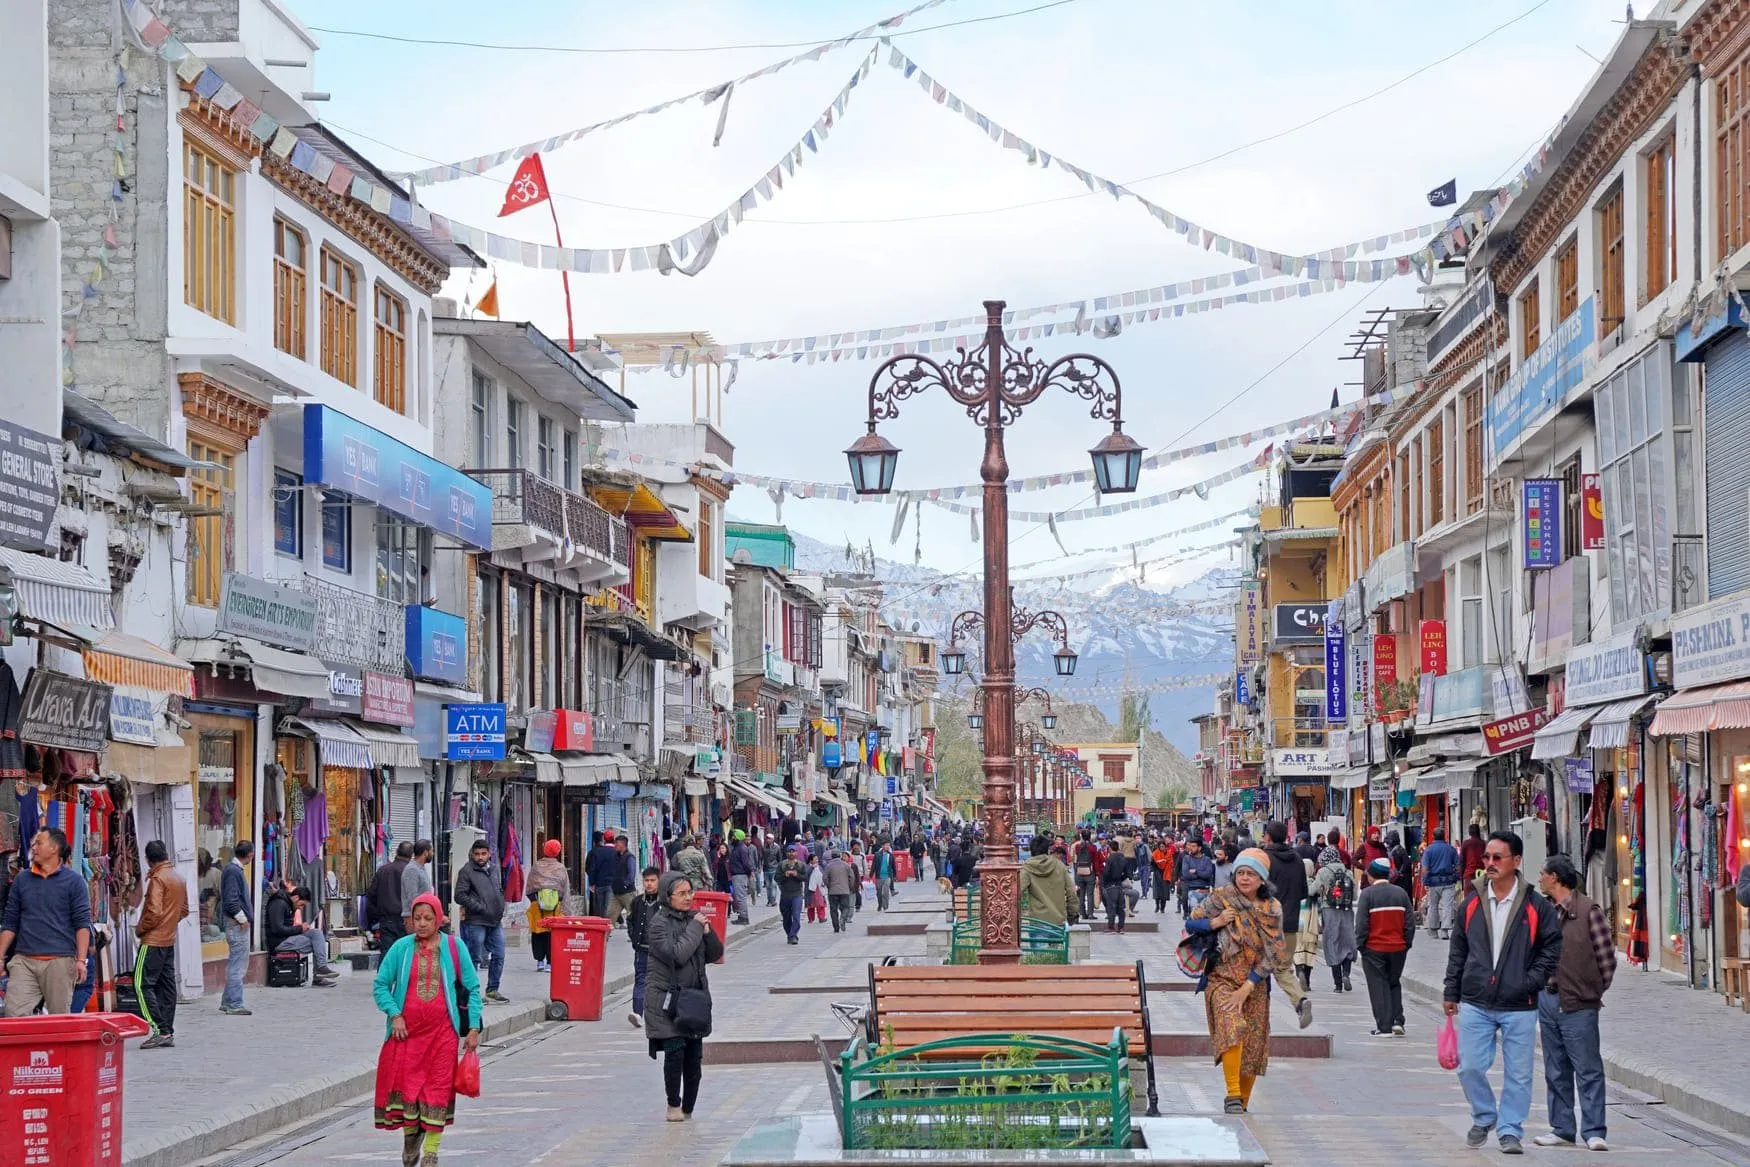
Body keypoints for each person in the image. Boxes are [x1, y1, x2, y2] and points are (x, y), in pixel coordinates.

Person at [1444, 829, 1565, 1156]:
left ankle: (1510, 1130)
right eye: (1487, 857)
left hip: (1519, 1003)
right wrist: (1451, 990)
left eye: (1498, 857)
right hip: (1476, 1000)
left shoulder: (1535, 905)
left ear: (1516, 861)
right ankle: (1484, 1115)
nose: (1490, 863)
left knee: (1519, 1074)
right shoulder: (1471, 902)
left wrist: (1531, 981)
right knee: (1469, 1066)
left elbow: (1552, 948)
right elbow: (1458, 949)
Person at [372, 892, 481, 1167]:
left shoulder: (455, 948)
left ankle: (430, 1153)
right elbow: (381, 985)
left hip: (442, 1035)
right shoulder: (401, 949)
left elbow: (472, 988)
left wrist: (474, 1027)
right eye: (416, 918)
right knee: (409, 1093)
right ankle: (411, 1145)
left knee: (437, 1090)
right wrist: (394, 1014)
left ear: (439, 919)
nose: (421, 923)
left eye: (427, 918)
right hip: (406, 1036)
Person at [1184, 848, 1284, 1115]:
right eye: (1240, 873)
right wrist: (1215, 922)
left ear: (1262, 879)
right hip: (1221, 978)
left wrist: (1248, 986)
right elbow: (1191, 924)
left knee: (1253, 1043)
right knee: (1232, 1026)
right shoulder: (1221, 899)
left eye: (1251, 874)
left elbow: (1274, 953)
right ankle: (1232, 1095)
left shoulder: (1272, 909)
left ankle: (1243, 1102)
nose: (1244, 878)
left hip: (1255, 984)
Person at [1532, 854, 1615, 1152]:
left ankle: (1594, 1130)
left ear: (1554, 877)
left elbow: (1606, 960)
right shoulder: (1543, 911)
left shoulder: (1588, 910)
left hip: (1579, 1002)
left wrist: (1591, 989)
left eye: (1543, 873)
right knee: (1555, 1068)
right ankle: (1562, 1128)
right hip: (1549, 998)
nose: (1539, 877)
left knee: (1587, 1067)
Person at [643, 871, 725, 1121]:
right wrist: (696, 927)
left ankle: (689, 1107)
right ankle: (673, 1105)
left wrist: (708, 932)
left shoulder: (694, 919)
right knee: (675, 1052)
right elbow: (677, 955)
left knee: (694, 1059)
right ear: (668, 896)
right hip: (666, 1001)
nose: (688, 898)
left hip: (693, 1000)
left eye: (690, 892)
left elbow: (715, 955)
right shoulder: (658, 924)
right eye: (682, 893)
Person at [0, 828, 92, 1017]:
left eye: (38, 843)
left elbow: (82, 924)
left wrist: (81, 960)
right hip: (24, 961)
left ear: (54, 848)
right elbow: (10, 921)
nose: (33, 848)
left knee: (59, 1017)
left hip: (60, 961)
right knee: (13, 1014)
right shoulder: (22, 880)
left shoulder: (75, 882)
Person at [134, 840, 189, 1047]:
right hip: (169, 939)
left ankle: (159, 1029)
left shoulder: (157, 878)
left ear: (148, 860)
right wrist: (169, 923)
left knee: (141, 984)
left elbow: (154, 912)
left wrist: (141, 929)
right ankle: (167, 1030)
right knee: (167, 986)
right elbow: (183, 910)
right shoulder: (178, 877)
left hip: (153, 940)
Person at [1261, 821, 1314, 1028]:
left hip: (1266, 923)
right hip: (1290, 922)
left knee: (1258, 968)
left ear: (1269, 837)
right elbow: (1303, 892)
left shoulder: (1265, 859)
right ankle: (1300, 1000)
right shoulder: (1297, 860)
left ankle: (1260, 1014)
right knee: (1283, 969)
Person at [1355, 857, 1413, 1037]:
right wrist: (1406, 944)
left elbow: (1362, 925)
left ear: (1371, 876)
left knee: (1378, 985)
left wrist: (1361, 945)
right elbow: (1409, 924)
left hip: (1374, 948)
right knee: (1394, 983)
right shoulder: (1401, 893)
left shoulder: (1367, 894)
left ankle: (1384, 1026)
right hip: (1398, 948)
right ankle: (1398, 1020)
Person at [453, 840, 509, 1003]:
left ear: (489, 854)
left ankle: (492, 989)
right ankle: (471, 992)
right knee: (473, 957)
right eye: (477, 854)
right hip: (476, 921)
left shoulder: (494, 869)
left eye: (483, 854)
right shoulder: (467, 871)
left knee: (499, 954)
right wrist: (480, 907)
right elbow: (459, 895)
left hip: (495, 920)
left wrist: (500, 906)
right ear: (472, 854)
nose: (480, 857)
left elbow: (498, 889)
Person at [265, 882, 339, 987]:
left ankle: (321, 968)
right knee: (315, 943)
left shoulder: (287, 904)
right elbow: (277, 929)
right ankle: (318, 976)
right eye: (302, 905)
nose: (301, 908)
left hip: (287, 938)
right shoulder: (279, 904)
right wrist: (299, 929)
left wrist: (300, 929)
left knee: (316, 933)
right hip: (279, 942)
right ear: (295, 898)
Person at [1309, 843, 1356, 992]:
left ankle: (1338, 985)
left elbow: (1312, 890)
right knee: (1347, 944)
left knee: (1332, 944)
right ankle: (1346, 974)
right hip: (1347, 911)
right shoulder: (1348, 872)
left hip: (1329, 912)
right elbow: (1354, 896)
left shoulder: (1323, 871)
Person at [219, 839, 254, 1016]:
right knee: (238, 965)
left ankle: (228, 1000)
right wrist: (242, 919)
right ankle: (234, 1003)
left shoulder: (233, 870)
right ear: (250, 855)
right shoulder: (233, 872)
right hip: (236, 924)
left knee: (236, 962)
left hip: (235, 923)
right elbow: (232, 901)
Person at [525, 839, 571, 973]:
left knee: (538, 932)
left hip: (537, 905)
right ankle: (550, 963)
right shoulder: (560, 868)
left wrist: (536, 900)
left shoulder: (537, 867)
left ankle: (540, 961)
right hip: (555, 906)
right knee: (552, 934)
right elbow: (565, 888)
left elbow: (529, 888)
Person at [626, 865, 662, 1028]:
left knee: (661, 982)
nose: (649, 884)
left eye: (652, 880)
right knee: (640, 980)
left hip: (661, 951)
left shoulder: (666, 902)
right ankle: (637, 1013)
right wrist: (634, 939)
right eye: (646, 881)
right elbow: (630, 920)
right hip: (642, 949)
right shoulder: (637, 902)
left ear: (659, 881)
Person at [1019, 832, 1077, 926]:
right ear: (1048, 850)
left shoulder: (1027, 869)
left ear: (1031, 850)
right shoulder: (1059, 866)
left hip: (1038, 923)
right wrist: (1072, 914)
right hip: (1058, 921)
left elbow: (1016, 892)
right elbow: (1071, 892)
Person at [371, 842, 413, 950]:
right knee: (405, 953)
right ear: (411, 855)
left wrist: (377, 915)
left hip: (386, 920)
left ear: (397, 852)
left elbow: (371, 895)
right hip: (406, 920)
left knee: (387, 954)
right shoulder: (412, 871)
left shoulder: (383, 870)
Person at [1420, 828, 1460, 940]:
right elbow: (1457, 867)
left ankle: (1433, 930)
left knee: (1433, 906)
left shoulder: (1428, 850)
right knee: (1447, 906)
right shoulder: (1451, 849)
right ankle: (1445, 931)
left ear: (1433, 836)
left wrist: (1425, 881)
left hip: (1433, 882)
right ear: (1444, 836)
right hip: (1448, 881)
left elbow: (1425, 869)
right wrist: (1456, 877)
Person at [1099, 835, 1133, 934]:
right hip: (1119, 885)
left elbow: (1106, 872)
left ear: (1110, 848)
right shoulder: (1123, 858)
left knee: (1111, 907)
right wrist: (1120, 879)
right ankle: (1121, 927)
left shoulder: (1110, 859)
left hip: (1110, 885)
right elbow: (1128, 873)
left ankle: (1111, 927)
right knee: (1121, 908)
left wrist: (1104, 883)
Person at [776, 848, 808, 944]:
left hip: (797, 894)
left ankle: (793, 935)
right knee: (786, 916)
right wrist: (784, 875)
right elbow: (776, 878)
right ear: (786, 853)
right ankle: (789, 933)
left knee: (796, 915)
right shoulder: (782, 865)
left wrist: (796, 874)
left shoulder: (801, 865)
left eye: (793, 851)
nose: (791, 853)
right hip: (785, 894)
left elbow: (805, 877)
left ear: (796, 853)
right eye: (789, 851)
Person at [401, 840, 434, 932]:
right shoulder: (412, 870)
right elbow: (412, 897)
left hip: (423, 917)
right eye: (432, 851)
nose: (432, 854)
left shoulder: (421, 868)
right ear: (426, 852)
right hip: (415, 919)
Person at [585, 831, 618, 917]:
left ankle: (601, 926)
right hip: (612, 884)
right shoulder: (617, 852)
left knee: (599, 908)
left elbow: (592, 868)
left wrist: (592, 883)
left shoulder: (597, 852)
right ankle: (606, 926)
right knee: (608, 908)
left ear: (604, 840)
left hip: (599, 884)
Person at [1179, 837, 1216, 915]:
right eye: (1190, 846)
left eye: (1193, 846)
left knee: (1205, 914)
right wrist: (1201, 874)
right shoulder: (1187, 858)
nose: (1190, 848)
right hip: (1192, 889)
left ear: (1199, 848)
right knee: (1195, 914)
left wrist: (1196, 871)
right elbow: (1186, 874)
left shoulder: (1207, 860)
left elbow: (1208, 874)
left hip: (1205, 889)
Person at [727, 829, 757, 925]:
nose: (732, 838)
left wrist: (749, 872)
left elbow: (746, 863)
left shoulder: (741, 848)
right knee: (739, 896)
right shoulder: (737, 847)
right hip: (737, 875)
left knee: (740, 897)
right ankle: (742, 916)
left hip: (740, 875)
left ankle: (743, 917)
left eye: (734, 836)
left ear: (738, 837)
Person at [608, 834, 639, 927]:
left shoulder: (630, 857)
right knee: (610, 916)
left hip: (627, 893)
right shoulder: (615, 856)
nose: (615, 846)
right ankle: (603, 938)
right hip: (616, 893)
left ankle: (636, 936)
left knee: (633, 915)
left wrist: (625, 884)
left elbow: (631, 873)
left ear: (622, 844)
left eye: (617, 844)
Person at [1069, 831, 1101, 920]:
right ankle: (1090, 914)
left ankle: (1082, 913)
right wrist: (1097, 874)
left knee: (1081, 894)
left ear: (1081, 837)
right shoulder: (1093, 847)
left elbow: (1075, 858)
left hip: (1079, 872)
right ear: (1090, 837)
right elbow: (1095, 862)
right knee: (1090, 894)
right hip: (1090, 873)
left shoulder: (1077, 847)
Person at [823, 849, 857, 932]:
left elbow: (824, 878)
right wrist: (849, 886)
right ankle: (842, 918)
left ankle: (836, 928)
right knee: (846, 907)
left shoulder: (828, 866)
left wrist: (829, 885)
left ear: (832, 856)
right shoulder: (846, 865)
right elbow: (852, 877)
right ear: (840, 856)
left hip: (832, 891)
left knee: (833, 909)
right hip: (844, 890)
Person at [1151, 836, 1176, 913]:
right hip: (1157, 873)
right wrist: (1157, 863)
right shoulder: (1155, 853)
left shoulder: (1169, 853)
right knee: (1157, 891)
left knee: (1164, 892)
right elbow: (1152, 863)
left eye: (1163, 846)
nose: (1162, 848)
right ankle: (1157, 906)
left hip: (1166, 873)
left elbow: (1171, 863)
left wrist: (1166, 863)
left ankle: (1162, 908)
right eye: (1161, 846)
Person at [873, 841, 896, 911]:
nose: (887, 847)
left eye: (888, 845)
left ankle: (885, 906)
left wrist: (894, 875)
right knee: (879, 893)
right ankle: (880, 904)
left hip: (887, 876)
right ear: (882, 846)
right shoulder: (877, 855)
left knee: (885, 892)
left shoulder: (890, 855)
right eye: (886, 845)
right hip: (879, 876)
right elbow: (873, 865)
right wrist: (870, 875)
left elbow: (893, 866)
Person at [761, 834, 782, 908]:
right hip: (766, 869)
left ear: (773, 839)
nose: (768, 840)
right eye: (767, 838)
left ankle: (773, 900)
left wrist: (780, 868)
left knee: (773, 885)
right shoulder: (764, 847)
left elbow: (779, 858)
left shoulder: (777, 847)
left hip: (774, 869)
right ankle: (769, 900)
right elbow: (761, 857)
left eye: (769, 838)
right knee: (768, 886)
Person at [805, 853, 827, 923]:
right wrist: (812, 868)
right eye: (815, 859)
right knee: (811, 905)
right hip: (810, 889)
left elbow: (823, 875)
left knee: (821, 904)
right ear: (810, 860)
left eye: (817, 859)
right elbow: (806, 875)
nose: (817, 860)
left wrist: (824, 882)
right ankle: (811, 918)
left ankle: (821, 917)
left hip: (819, 888)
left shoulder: (819, 867)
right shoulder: (808, 867)